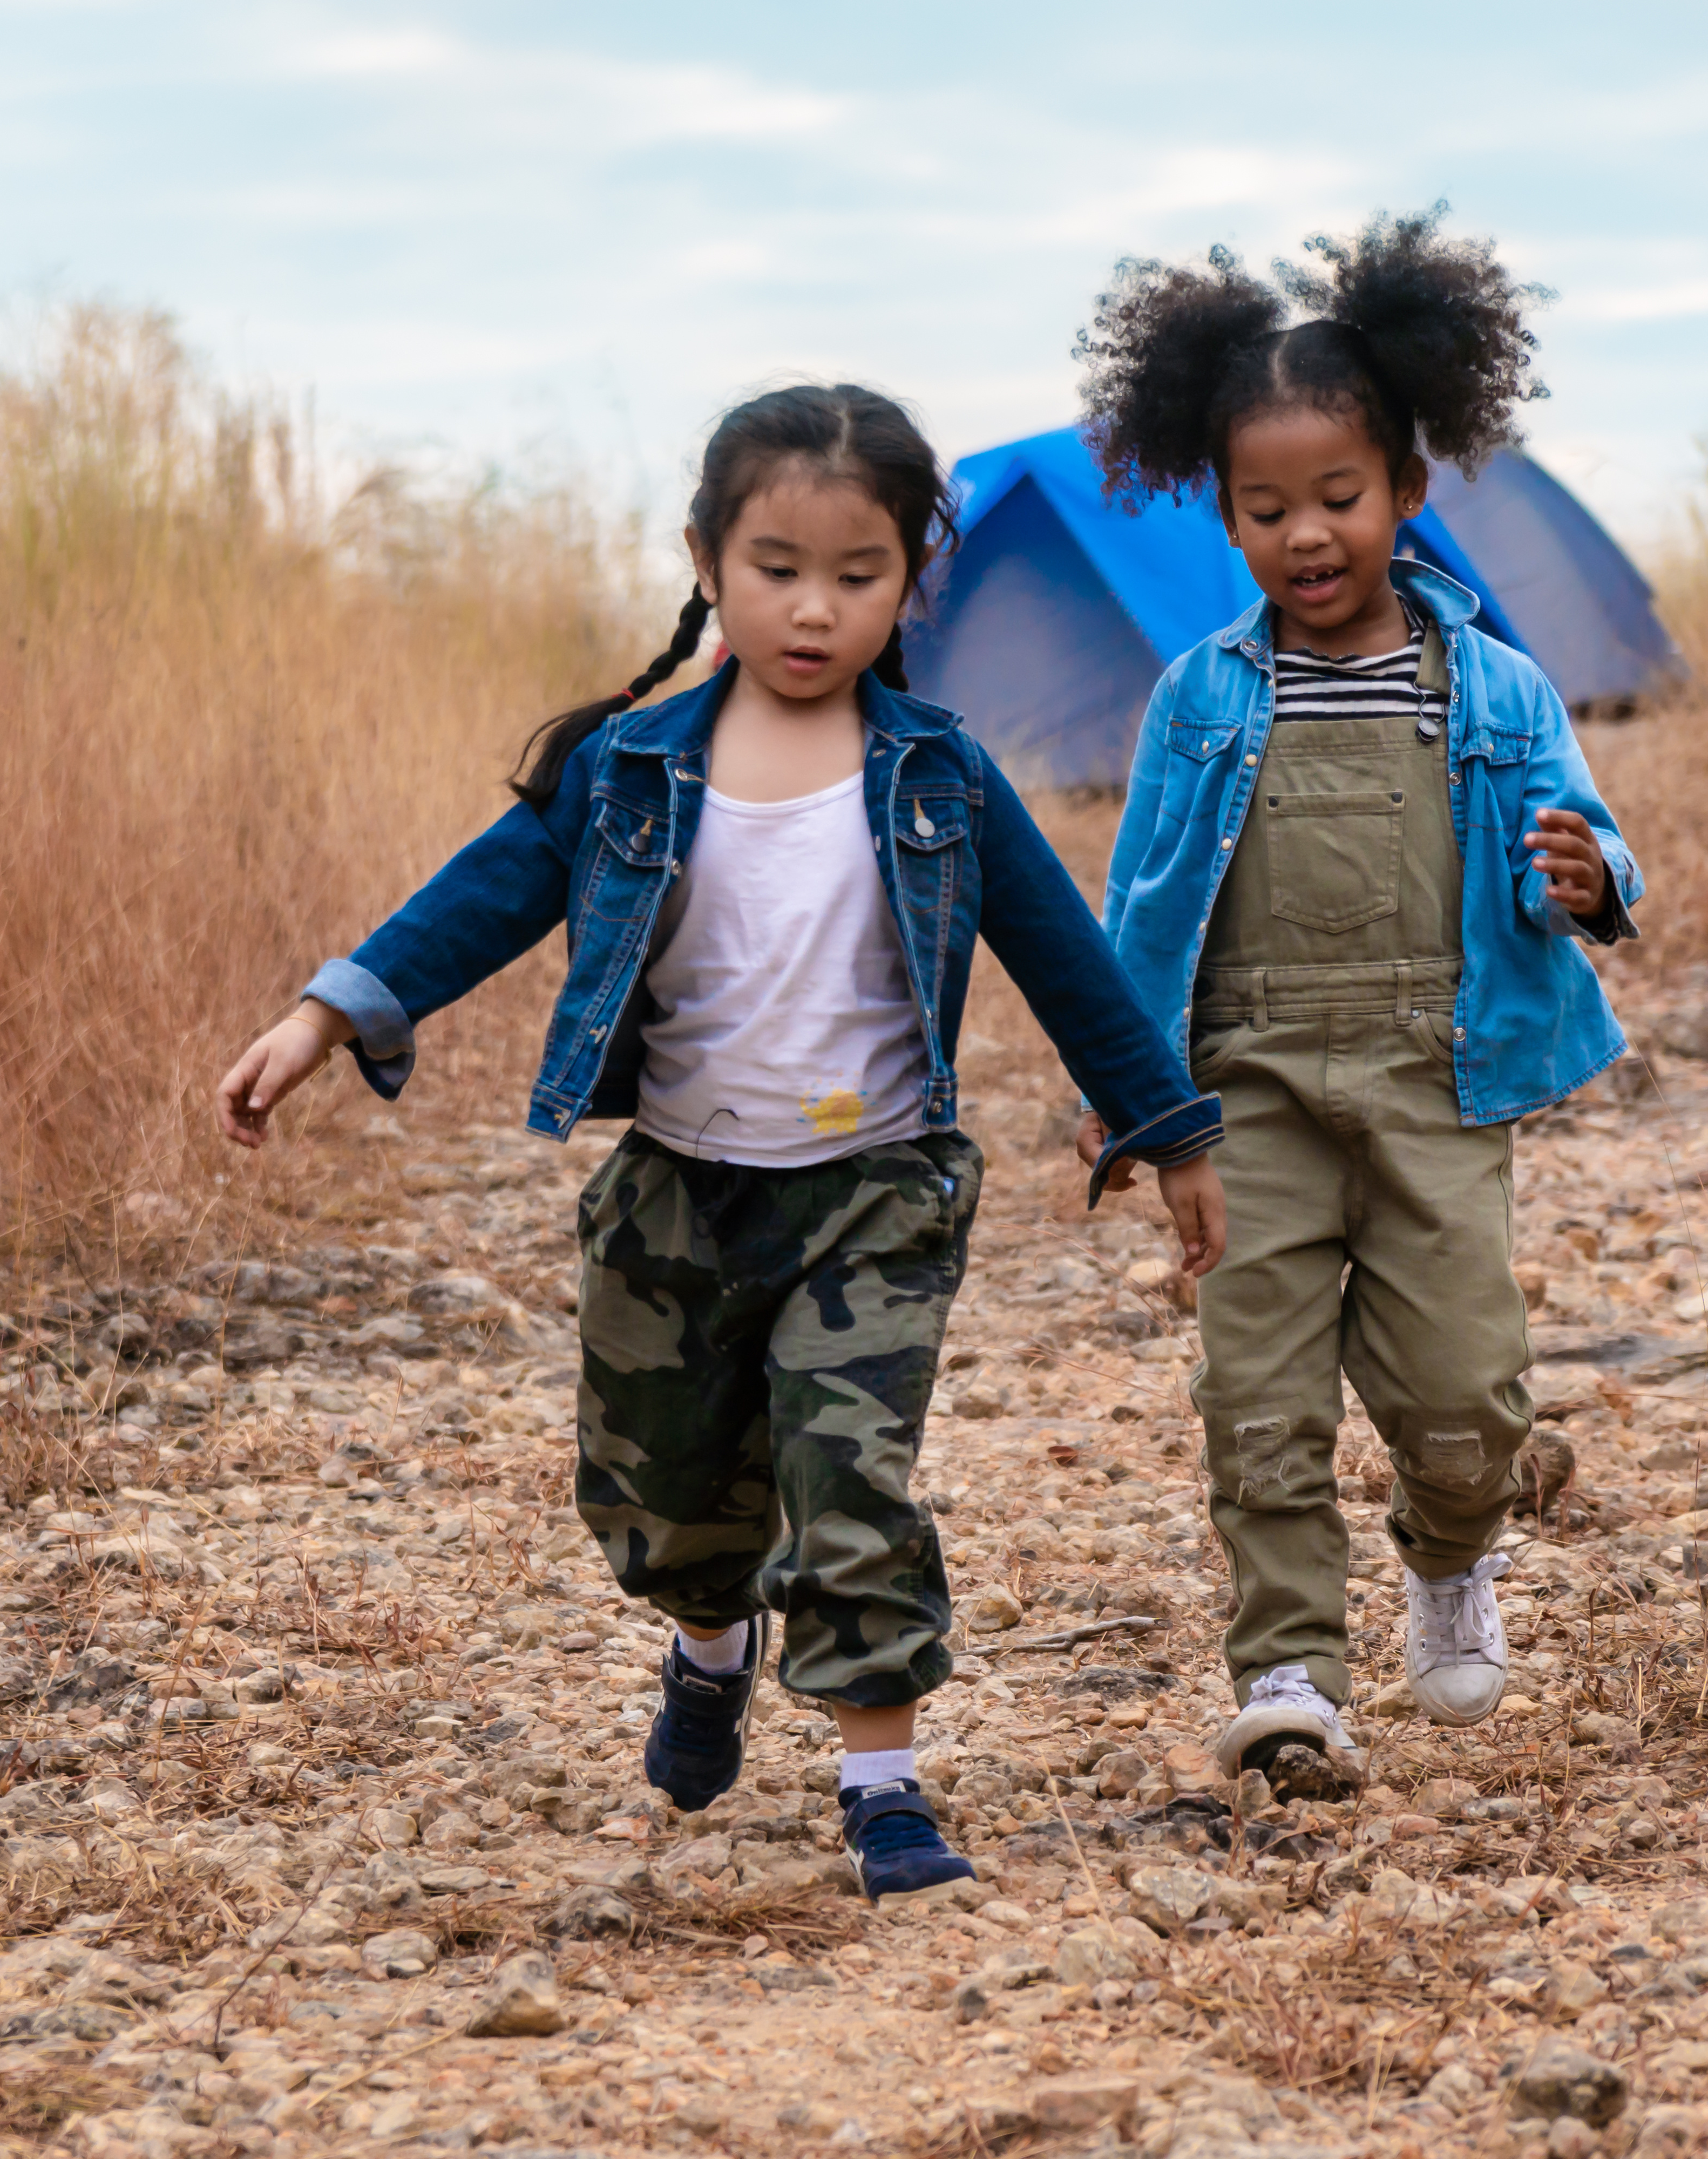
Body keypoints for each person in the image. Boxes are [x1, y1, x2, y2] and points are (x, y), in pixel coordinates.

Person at [216, 384, 1230, 1898]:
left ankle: (881, 1784)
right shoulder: (631, 769)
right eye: (777, 568)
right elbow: (480, 898)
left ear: (911, 582)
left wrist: (1170, 1132)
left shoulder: (939, 774)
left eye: (858, 575)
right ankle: (710, 1643)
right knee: (666, 1498)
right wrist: (326, 1015)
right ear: (706, 559)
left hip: (876, 1195)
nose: (814, 610)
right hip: (677, 1196)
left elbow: (1065, 955)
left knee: (850, 1479)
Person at [1068, 214, 1644, 1799]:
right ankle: (1290, 1673)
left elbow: (1587, 835)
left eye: (1339, 497)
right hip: (1244, 1086)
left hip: (1435, 1076)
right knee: (1254, 1396)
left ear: (1405, 487)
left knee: (1464, 1397)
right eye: (1267, 509)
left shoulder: (1493, 687)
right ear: (1225, 515)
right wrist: (1130, 1096)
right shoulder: (1201, 695)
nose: (1307, 534)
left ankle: (1449, 1557)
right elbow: (1140, 905)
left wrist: (1590, 876)